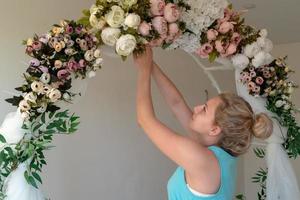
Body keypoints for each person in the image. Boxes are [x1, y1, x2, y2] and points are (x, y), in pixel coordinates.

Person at [133, 46, 273, 200]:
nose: (197, 108)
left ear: (214, 129)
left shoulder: (202, 159)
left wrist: (143, 70)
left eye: (205, 109)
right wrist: (149, 63)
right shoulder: (216, 152)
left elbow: (145, 121)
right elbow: (176, 103)